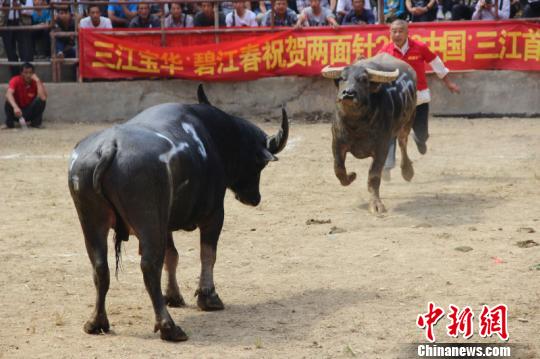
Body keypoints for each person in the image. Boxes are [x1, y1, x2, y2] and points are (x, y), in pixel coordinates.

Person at [379, 20, 460, 180]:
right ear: (390, 33)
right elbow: (375, 68)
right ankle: (387, 164)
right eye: (393, 31)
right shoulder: (385, 51)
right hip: (396, 100)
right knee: (390, 130)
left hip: (419, 98)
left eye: (400, 31)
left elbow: (436, 63)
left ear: (407, 32)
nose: (397, 35)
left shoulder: (420, 47)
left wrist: (448, 83)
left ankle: (419, 139)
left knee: (422, 134)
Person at [3, 63, 47, 129]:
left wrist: (38, 81)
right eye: (25, 73)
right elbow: (8, 94)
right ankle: (9, 124)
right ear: (21, 73)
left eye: (30, 73)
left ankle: (36, 123)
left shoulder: (36, 82)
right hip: (17, 112)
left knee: (40, 100)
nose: (28, 75)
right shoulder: (15, 80)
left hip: (29, 112)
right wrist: (15, 107)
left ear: (33, 73)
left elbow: (43, 98)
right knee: (8, 101)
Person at [1, 0, 34, 75]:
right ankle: (15, 74)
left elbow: (31, 10)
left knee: (25, 50)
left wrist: (20, 7)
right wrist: (4, 8)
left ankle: (26, 74)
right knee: (10, 50)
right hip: (6, 23)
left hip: (22, 22)